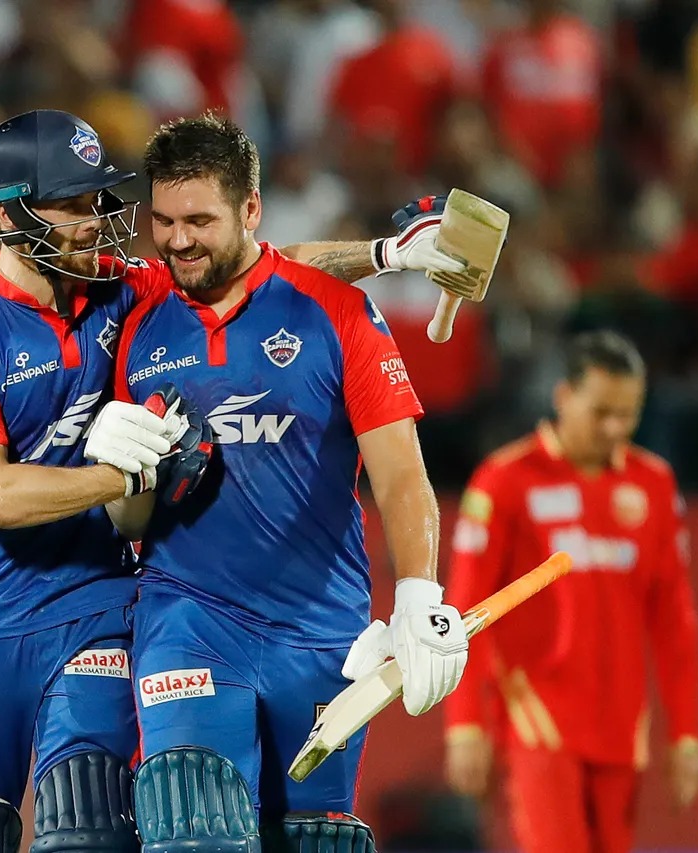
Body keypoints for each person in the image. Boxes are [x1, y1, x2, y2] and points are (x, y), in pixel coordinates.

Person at [0, 108, 467, 853]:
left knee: (89, 833)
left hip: (97, 603)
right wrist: (119, 475)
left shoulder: (124, 290)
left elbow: (265, 264)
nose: (96, 220)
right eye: (73, 205)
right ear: (8, 216)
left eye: (98, 200)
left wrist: (387, 252)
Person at [107, 112, 469, 851]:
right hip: (188, 621)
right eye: (164, 221)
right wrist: (118, 471)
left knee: (313, 840)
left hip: (321, 632)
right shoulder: (139, 317)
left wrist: (419, 596)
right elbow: (131, 524)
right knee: (193, 832)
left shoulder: (338, 312)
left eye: (200, 221)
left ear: (251, 209)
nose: (178, 241)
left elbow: (402, 474)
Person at [442, 330, 698, 853]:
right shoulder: (505, 481)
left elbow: (675, 620)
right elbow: (465, 611)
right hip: (538, 724)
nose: (615, 429)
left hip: (622, 728)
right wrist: (464, 724)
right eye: (601, 412)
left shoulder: (653, 485)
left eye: (627, 414)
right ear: (563, 396)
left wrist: (686, 734)